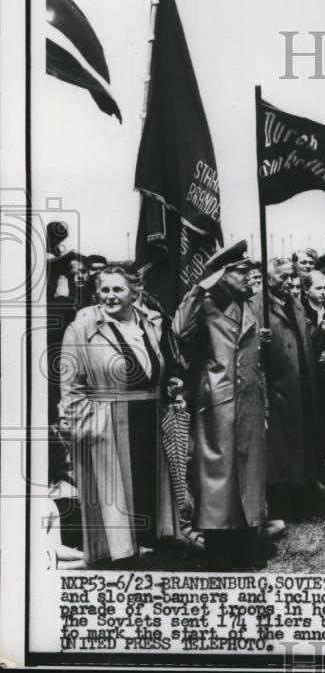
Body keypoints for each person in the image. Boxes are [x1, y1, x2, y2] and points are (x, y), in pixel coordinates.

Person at [58, 266, 181, 566]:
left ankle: (150, 544)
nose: (110, 296)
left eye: (118, 289)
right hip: (105, 423)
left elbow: (157, 368)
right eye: (105, 290)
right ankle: (118, 556)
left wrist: (167, 387)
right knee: (113, 496)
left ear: (134, 292)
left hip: (149, 420)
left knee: (149, 491)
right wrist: (87, 426)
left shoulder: (148, 324)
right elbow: (70, 385)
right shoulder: (82, 327)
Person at [173, 241, 269, 568]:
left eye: (250, 271)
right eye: (242, 271)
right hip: (219, 400)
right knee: (218, 479)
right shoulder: (208, 302)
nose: (250, 276)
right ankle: (218, 552)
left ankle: (248, 548)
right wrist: (200, 288)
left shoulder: (253, 304)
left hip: (251, 402)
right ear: (223, 274)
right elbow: (180, 330)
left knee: (250, 477)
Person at [254, 258, 322, 519]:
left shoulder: (294, 304)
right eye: (282, 277)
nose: (288, 282)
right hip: (277, 387)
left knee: (302, 444)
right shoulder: (259, 304)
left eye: (291, 277)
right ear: (268, 278)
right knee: (280, 451)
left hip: (301, 383)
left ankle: (303, 500)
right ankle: (282, 506)